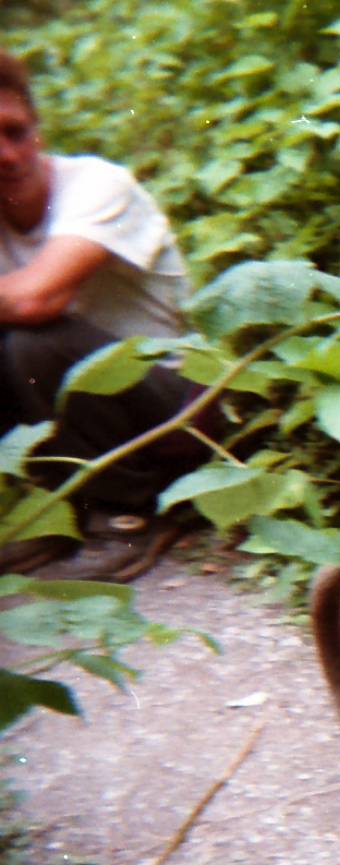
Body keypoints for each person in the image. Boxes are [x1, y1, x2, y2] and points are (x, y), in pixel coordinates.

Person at [0, 47, 203, 573]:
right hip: (84, 418)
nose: (5, 154)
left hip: (178, 416)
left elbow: (34, 298)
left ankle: (126, 511)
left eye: (15, 131)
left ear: (38, 129)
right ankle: (58, 510)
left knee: (33, 338)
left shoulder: (97, 185)